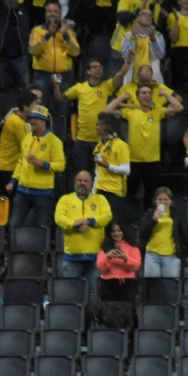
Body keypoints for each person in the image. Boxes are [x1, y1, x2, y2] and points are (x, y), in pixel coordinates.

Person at [55, 170, 113, 303]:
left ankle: (90, 322)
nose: (82, 183)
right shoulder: (65, 200)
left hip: (94, 257)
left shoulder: (100, 199)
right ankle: (73, 322)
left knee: (93, 295)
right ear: (75, 183)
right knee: (71, 294)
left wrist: (89, 221)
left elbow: (107, 216)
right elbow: (59, 218)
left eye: (86, 181)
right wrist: (75, 225)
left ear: (91, 183)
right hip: (72, 258)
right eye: (79, 180)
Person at [8, 105, 65, 227]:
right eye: (31, 117)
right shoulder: (27, 138)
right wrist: (13, 181)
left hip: (43, 193)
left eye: (37, 118)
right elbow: (21, 161)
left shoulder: (55, 141)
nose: (32, 121)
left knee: (43, 227)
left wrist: (42, 164)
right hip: (22, 190)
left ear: (44, 121)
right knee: (14, 225)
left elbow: (61, 165)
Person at [138, 187, 188, 278]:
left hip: (171, 256)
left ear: (170, 201)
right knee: (152, 285)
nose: (163, 202)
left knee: (170, 285)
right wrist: (154, 219)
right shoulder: (150, 214)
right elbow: (142, 232)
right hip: (152, 255)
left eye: (166, 199)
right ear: (155, 201)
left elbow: (186, 234)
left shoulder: (177, 214)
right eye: (160, 199)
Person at [91, 111, 130, 224]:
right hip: (100, 190)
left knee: (113, 226)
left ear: (107, 126)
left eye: (99, 124)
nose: (96, 127)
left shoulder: (121, 145)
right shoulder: (100, 145)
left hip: (115, 193)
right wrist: (93, 191)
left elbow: (126, 170)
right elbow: (97, 171)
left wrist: (108, 166)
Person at [97, 222, 142, 307]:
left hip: (127, 284)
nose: (117, 233)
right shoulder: (105, 247)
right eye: (113, 231)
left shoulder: (132, 246)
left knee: (128, 311)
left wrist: (126, 258)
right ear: (109, 233)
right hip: (108, 284)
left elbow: (136, 265)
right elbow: (100, 267)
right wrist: (107, 257)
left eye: (119, 231)